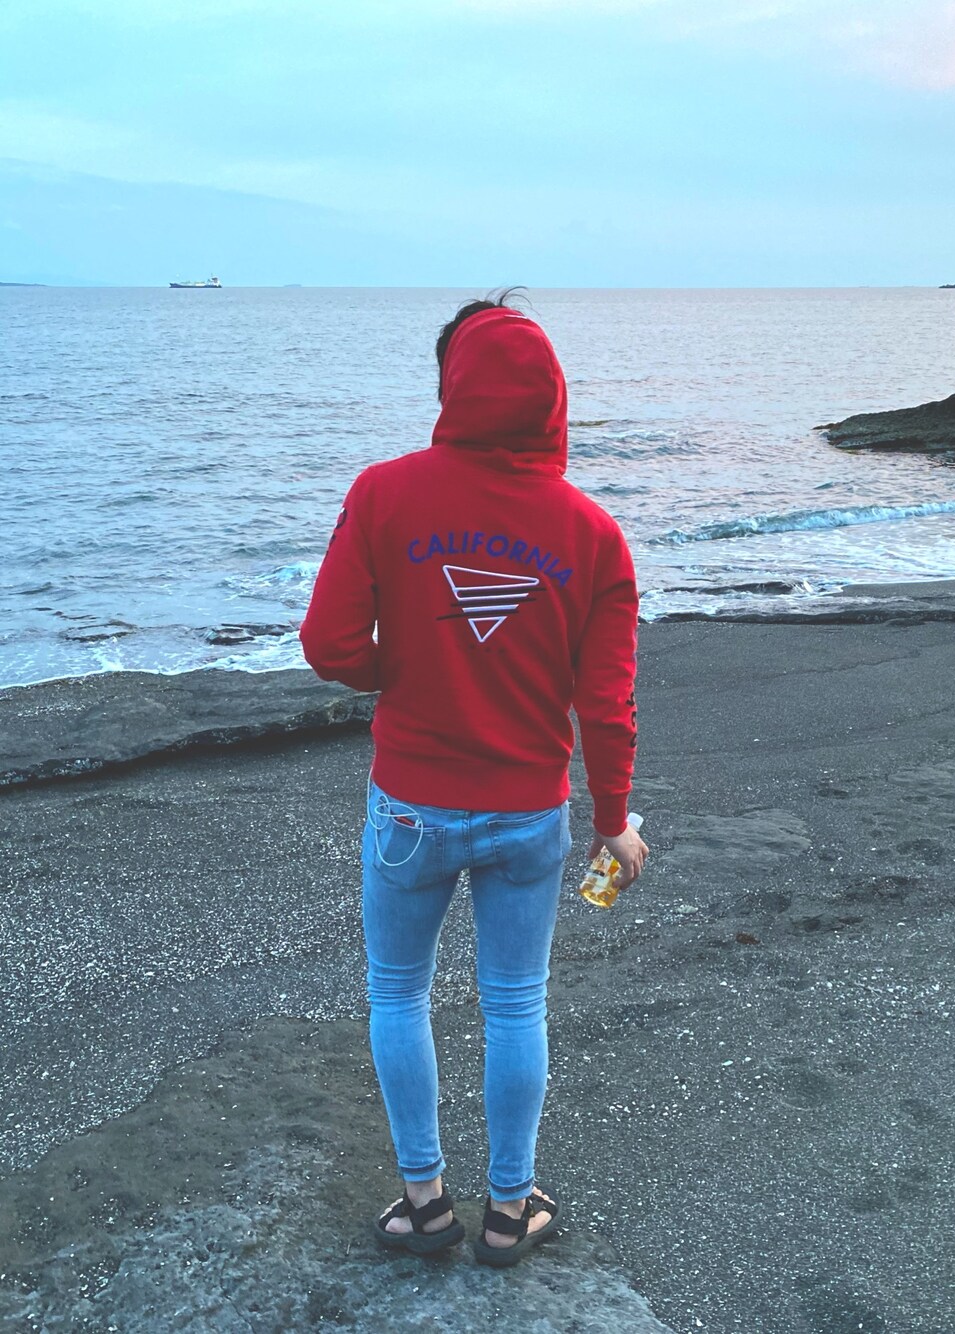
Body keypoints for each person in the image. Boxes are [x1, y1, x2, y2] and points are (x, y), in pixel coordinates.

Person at [299, 292, 647, 1267]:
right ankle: (506, 1208)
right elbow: (607, 704)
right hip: (529, 810)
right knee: (515, 1003)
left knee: (398, 994)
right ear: (553, 399)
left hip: (410, 805)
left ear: (451, 385)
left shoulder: (383, 495)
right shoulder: (592, 532)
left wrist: (404, 668)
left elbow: (329, 644)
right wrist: (614, 819)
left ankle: (423, 1203)